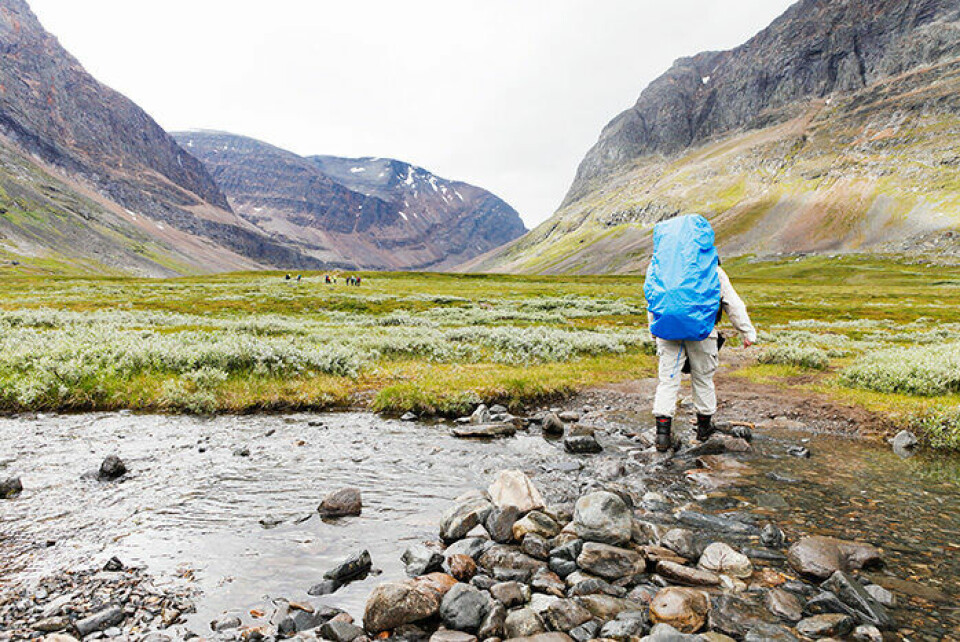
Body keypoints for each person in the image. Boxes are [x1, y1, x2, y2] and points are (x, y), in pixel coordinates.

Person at [645, 215, 757, 452]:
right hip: (703, 333)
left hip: (667, 333)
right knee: (703, 379)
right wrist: (747, 332)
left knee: (668, 382)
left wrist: (654, 332)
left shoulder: (658, 267)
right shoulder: (712, 270)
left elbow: (653, 301)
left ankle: (662, 436)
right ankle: (704, 430)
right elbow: (732, 303)